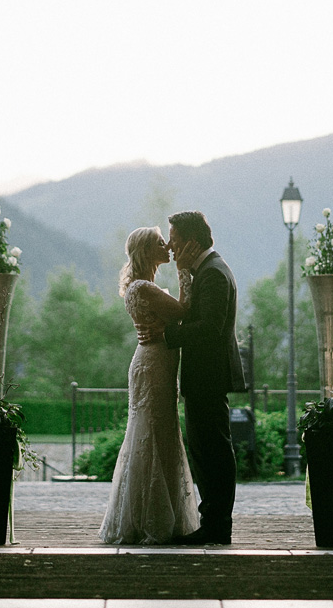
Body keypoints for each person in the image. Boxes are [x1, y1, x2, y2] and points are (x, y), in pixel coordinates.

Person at [146, 210, 246, 545]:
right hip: (205, 376)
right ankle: (213, 523)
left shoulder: (213, 273)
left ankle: (218, 527)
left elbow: (210, 328)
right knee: (205, 449)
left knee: (213, 450)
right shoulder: (206, 270)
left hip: (209, 376)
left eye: (173, 237)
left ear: (190, 239)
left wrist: (169, 333)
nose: (170, 245)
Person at [99, 226, 200, 544]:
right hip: (154, 364)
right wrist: (185, 271)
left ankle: (155, 513)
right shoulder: (143, 287)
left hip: (155, 360)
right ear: (146, 251)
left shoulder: (142, 286)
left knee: (158, 433)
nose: (168, 246)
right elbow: (184, 310)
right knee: (153, 434)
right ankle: (150, 517)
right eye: (160, 243)